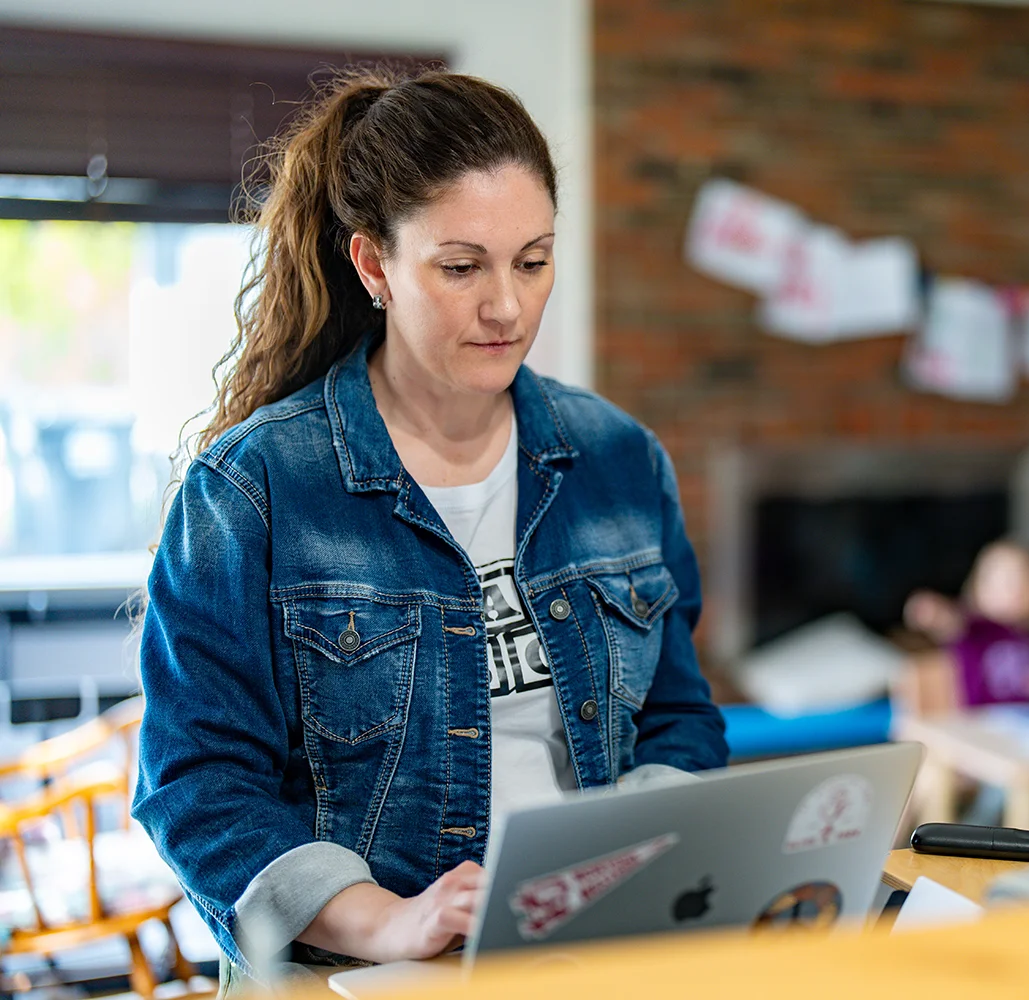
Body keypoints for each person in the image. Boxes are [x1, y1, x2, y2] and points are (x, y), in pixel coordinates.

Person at [131, 68, 727, 985]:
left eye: (533, 260)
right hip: (349, 972)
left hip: (593, 956)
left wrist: (643, 860)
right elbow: (199, 785)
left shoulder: (621, 461)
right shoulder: (251, 489)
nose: (508, 307)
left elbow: (679, 719)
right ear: (375, 266)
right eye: (462, 267)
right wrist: (389, 921)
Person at [898, 541, 1029, 715]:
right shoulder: (973, 628)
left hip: (1026, 720)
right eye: (1004, 583)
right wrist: (931, 612)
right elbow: (947, 621)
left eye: (1022, 581)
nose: (1015, 591)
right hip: (979, 720)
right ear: (979, 589)